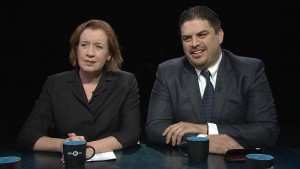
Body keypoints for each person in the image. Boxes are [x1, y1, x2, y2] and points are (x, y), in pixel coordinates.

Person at [145, 6, 279, 154]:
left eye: (202, 35)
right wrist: (202, 140)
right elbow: (155, 128)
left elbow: (267, 130)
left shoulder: (249, 70)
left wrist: (205, 129)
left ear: (219, 36)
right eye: (187, 38)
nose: (194, 43)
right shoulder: (168, 72)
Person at [18, 19, 141, 154]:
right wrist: (63, 144)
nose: (90, 53)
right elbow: (28, 135)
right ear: (76, 49)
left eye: (98, 46)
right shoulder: (55, 84)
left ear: (109, 54)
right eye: (84, 45)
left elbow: (131, 132)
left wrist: (88, 148)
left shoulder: (125, 82)